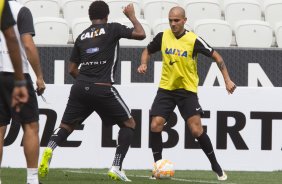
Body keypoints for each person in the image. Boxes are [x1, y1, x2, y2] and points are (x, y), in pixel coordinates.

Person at [39, 0, 145, 182]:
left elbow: (72, 69)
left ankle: (49, 147)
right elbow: (141, 34)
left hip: (80, 87)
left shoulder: (81, 36)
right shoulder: (112, 28)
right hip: (103, 87)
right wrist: (132, 16)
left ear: (90, 17)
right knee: (129, 124)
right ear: (106, 16)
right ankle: (116, 166)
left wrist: (86, 83)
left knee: (66, 126)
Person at [137, 6, 236, 181]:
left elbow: (217, 57)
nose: (173, 23)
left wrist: (227, 80)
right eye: (170, 20)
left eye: (176, 20)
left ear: (184, 20)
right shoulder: (163, 36)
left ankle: (216, 165)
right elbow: (147, 51)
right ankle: (158, 167)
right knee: (155, 125)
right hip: (166, 89)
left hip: (187, 90)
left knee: (196, 130)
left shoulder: (193, 40)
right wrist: (144, 63)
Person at [0, 0, 46, 184]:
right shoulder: (21, 10)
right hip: (16, 73)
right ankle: (32, 179)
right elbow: (27, 44)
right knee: (31, 126)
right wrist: (40, 76)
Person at [0, 0, 29, 112]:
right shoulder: (19, 9)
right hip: (9, 72)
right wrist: (20, 81)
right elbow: (12, 38)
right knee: (30, 125)